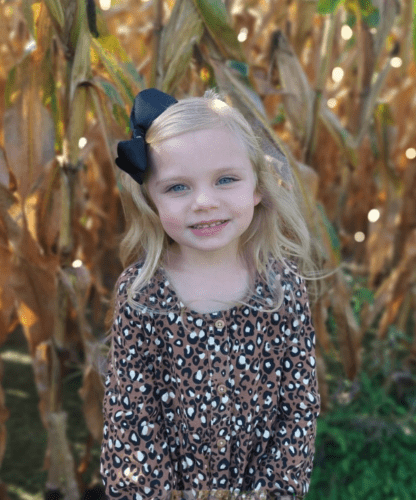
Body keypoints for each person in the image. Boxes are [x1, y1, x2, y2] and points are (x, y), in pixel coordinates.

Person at [100, 88, 321, 500]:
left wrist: (273, 492)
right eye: (177, 187)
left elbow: (298, 404)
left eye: (225, 180)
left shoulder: (281, 287)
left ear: (257, 187)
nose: (204, 202)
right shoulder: (142, 294)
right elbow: (130, 414)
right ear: (151, 198)